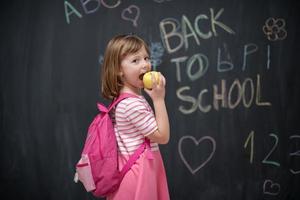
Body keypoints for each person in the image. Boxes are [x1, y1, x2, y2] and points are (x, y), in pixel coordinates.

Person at [101, 34, 170, 200]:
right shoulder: (132, 105)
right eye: (135, 60)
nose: (145, 64)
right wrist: (159, 99)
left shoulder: (126, 100)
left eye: (146, 58)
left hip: (136, 169)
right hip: (138, 174)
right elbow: (162, 137)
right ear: (119, 69)